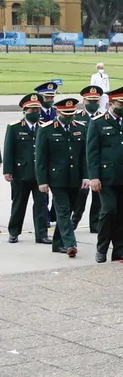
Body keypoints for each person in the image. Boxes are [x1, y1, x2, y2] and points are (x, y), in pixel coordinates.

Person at [87, 85, 123, 262]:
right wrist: (93, 176)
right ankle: (102, 248)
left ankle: (119, 249)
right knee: (108, 211)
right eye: (120, 104)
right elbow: (92, 152)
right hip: (107, 177)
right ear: (111, 103)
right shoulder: (98, 122)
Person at [36, 97, 90, 257]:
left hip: (75, 178)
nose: (69, 117)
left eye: (72, 114)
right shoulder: (46, 129)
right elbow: (41, 158)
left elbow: (84, 156)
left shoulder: (80, 128)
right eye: (66, 114)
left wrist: (86, 176)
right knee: (64, 211)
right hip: (57, 178)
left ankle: (57, 243)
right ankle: (70, 244)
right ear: (58, 112)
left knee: (68, 210)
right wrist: (42, 181)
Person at [4, 95, 52, 244]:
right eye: (32, 109)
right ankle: (14, 232)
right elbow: (8, 150)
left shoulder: (44, 127)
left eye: (37, 109)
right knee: (19, 204)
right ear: (25, 111)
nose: (36, 112)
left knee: (41, 205)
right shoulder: (14, 127)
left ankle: (42, 234)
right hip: (21, 173)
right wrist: (7, 170)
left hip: (40, 174)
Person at [79, 85, 105, 234]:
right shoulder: (76, 117)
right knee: (79, 198)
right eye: (90, 101)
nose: (93, 104)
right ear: (84, 101)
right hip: (80, 163)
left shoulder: (102, 117)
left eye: (96, 101)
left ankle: (94, 224)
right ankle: (73, 222)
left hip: (97, 163)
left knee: (98, 199)